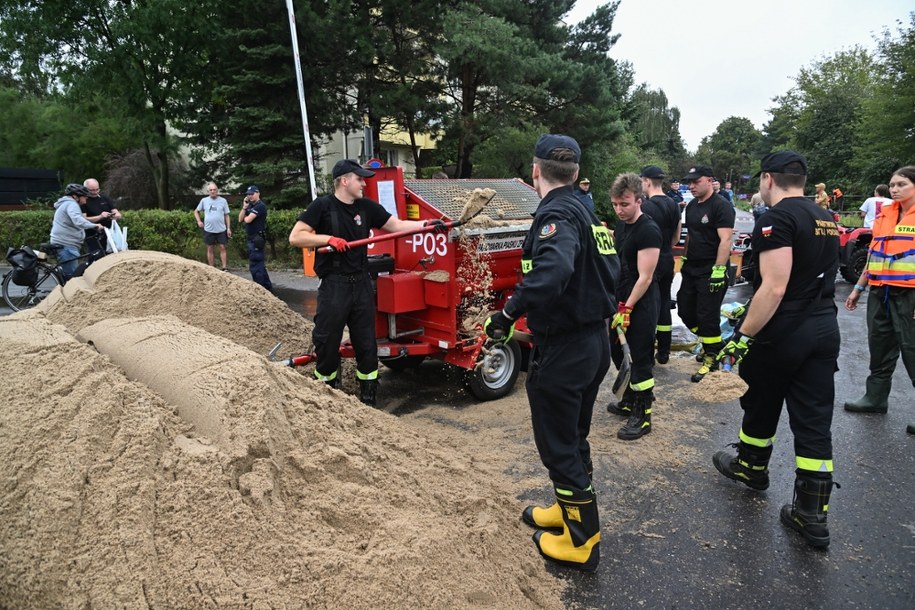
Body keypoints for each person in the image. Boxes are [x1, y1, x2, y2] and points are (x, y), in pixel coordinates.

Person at [483, 134, 618, 571]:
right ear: (576, 172)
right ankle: (567, 510)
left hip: (569, 348)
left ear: (535, 171)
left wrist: (507, 314)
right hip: (592, 341)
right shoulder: (586, 209)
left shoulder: (558, 211)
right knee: (573, 438)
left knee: (558, 445)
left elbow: (554, 270)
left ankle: (582, 542)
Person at [712, 150, 841, 548]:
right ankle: (811, 515)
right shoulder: (826, 218)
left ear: (768, 178)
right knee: (814, 418)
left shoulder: (778, 218)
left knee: (761, 396)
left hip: (785, 327)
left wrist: (742, 338)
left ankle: (751, 468)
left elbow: (774, 286)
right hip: (824, 327)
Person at [288, 160, 444, 406]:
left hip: (361, 285)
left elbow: (397, 225)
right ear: (344, 181)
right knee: (327, 342)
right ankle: (326, 393)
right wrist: (328, 239)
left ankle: (368, 397)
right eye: (359, 179)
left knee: (366, 344)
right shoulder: (323, 207)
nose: (364, 183)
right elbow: (296, 237)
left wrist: (427, 225)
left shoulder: (367, 208)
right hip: (334, 286)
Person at [844, 166, 915, 436]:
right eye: (892, 184)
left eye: (902, 184)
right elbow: (875, 256)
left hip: (910, 293)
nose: (894, 189)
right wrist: (858, 289)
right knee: (880, 344)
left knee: (913, 348)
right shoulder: (885, 215)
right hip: (880, 291)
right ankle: (875, 398)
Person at [605, 173, 660, 441]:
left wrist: (627, 308)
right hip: (621, 298)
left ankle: (643, 413)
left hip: (641, 302)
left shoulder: (648, 230)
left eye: (624, 204)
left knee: (639, 359)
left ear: (639, 200)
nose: (619, 209)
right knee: (617, 353)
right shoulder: (623, 225)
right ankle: (628, 399)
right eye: (615, 204)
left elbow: (645, 276)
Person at [678, 165, 735, 381]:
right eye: (689, 182)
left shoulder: (721, 206)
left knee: (707, 314)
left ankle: (711, 359)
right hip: (691, 267)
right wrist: (684, 256)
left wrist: (719, 270)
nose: (691, 186)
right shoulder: (691, 206)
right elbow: (690, 235)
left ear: (709, 180)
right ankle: (713, 343)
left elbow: (726, 240)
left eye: (696, 181)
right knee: (685, 310)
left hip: (711, 269)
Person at [636, 165, 681, 364]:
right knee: (664, 304)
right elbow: (676, 236)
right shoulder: (673, 204)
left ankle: (647, 354)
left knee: (647, 308)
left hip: (649, 262)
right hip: (667, 258)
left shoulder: (644, 207)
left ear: (646, 181)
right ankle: (663, 352)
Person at [50, 184, 104, 279]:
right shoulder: (71, 204)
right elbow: (78, 220)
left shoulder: (67, 204)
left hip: (66, 243)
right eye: (84, 196)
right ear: (75, 196)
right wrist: (95, 226)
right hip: (66, 244)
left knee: (70, 275)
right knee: (72, 278)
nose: (86, 198)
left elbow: (78, 219)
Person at [238, 185, 272, 291]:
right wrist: (244, 207)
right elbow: (240, 219)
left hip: (257, 239)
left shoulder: (260, 206)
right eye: (248, 194)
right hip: (251, 238)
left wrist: (246, 216)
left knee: (256, 264)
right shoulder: (249, 206)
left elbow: (248, 220)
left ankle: (260, 288)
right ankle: (267, 287)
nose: (250, 196)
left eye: (252, 194)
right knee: (257, 264)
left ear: (258, 193)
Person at [194, 182, 232, 270]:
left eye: (214, 190)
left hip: (221, 229)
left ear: (217, 190)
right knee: (210, 248)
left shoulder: (223, 201)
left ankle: (224, 267)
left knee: (222, 247)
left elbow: (227, 215)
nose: (213, 191)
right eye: (211, 190)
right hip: (209, 229)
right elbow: (196, 211)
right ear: (208, 191)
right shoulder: (204, 201)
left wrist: (228, 228)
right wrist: (199, 221)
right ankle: (211, 268)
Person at [82, 178, 121, 256]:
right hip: (93, 235)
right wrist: (100, 217)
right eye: (92, 190)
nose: (95, 192)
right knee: (97, 257)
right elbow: (83, 219)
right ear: (85, 189)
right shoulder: (83, 200)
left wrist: (115, 216)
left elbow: (117, 213)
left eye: (97, 189)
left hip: (110, 234)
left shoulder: (104, 198)